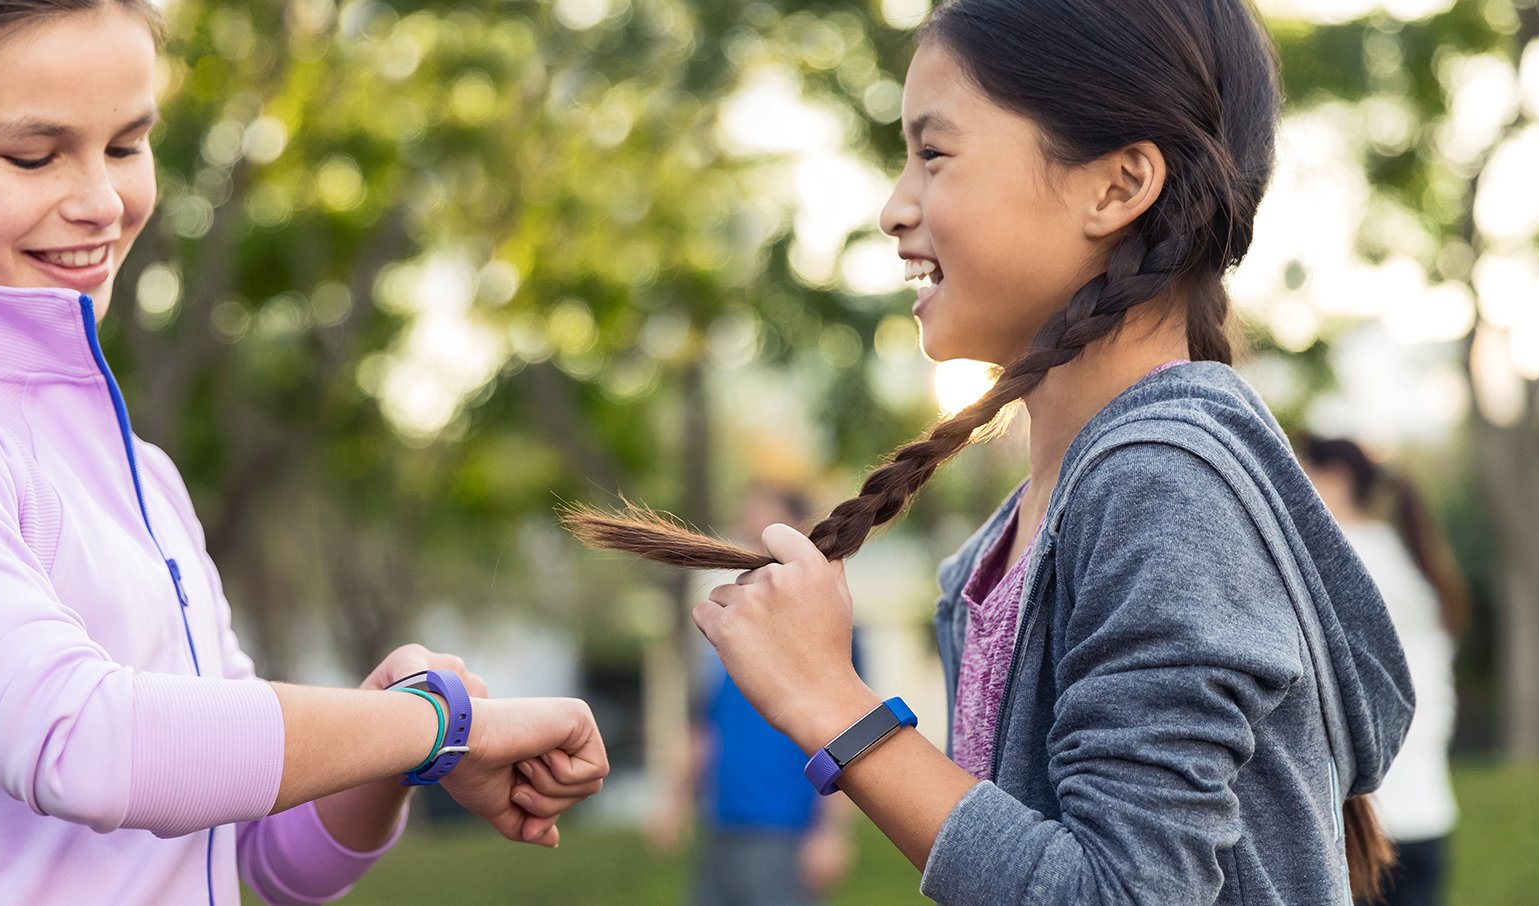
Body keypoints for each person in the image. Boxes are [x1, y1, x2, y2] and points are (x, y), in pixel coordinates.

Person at [564, 0, 1416, 902]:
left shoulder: (1162, 487)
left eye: (933, 154)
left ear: (1118, 185)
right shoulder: (1011, 542)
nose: (896, 207)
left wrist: (833, 704)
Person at [0, 3, 607, 903]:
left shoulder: (143, 476)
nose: (101, 202)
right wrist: (429, 726)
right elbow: (80, 745)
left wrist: (400, 746)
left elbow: (273, 859)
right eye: (33, 156)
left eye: (126, 145)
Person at [649, 486, 856, 906]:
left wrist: (831, 831)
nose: (750, 529)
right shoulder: (726, 632)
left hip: (785, 834)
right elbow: (705, 725)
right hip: (722, 829)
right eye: (749, 518)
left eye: (765, 521)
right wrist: (675, 800)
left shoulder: (829, 627)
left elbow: (849, 733)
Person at [1302, 436, 1464, 906]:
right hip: (1430, 812)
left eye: (1302, 472)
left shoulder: (1339, 563)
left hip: (1370, 825)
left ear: (1335, 479)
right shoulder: (1406, 558)